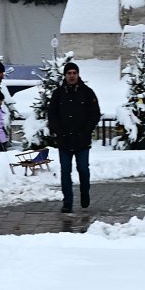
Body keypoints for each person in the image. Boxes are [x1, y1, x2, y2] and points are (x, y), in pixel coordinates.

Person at [45, 61, 100, 213]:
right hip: (64, 140)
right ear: (65, 75)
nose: (72, 76)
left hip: (82, 140)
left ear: (78, 74)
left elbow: (95, 114)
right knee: (65, 171)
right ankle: (67, 202)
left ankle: (84, 193)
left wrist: (86, 130)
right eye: (69, 73)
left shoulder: (87, 92)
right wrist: (58, 131)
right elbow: (52, 114)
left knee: (83, 169)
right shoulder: (58, 94)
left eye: (74, 73)